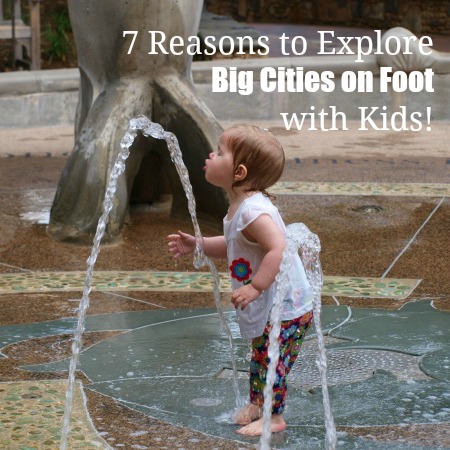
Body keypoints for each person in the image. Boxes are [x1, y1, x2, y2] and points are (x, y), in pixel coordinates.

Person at [167, 125, 313, 436]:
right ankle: (257, 403)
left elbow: (279, 247)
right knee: (260, 353)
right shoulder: (240, 207)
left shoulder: (253, 211)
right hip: (274, 303)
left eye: (220, 153)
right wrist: (201, 244)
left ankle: (274, 417)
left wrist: (256, 285)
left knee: (273, 359)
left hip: (288, 307)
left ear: (239, 171)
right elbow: (234, 243)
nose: (211, 155)